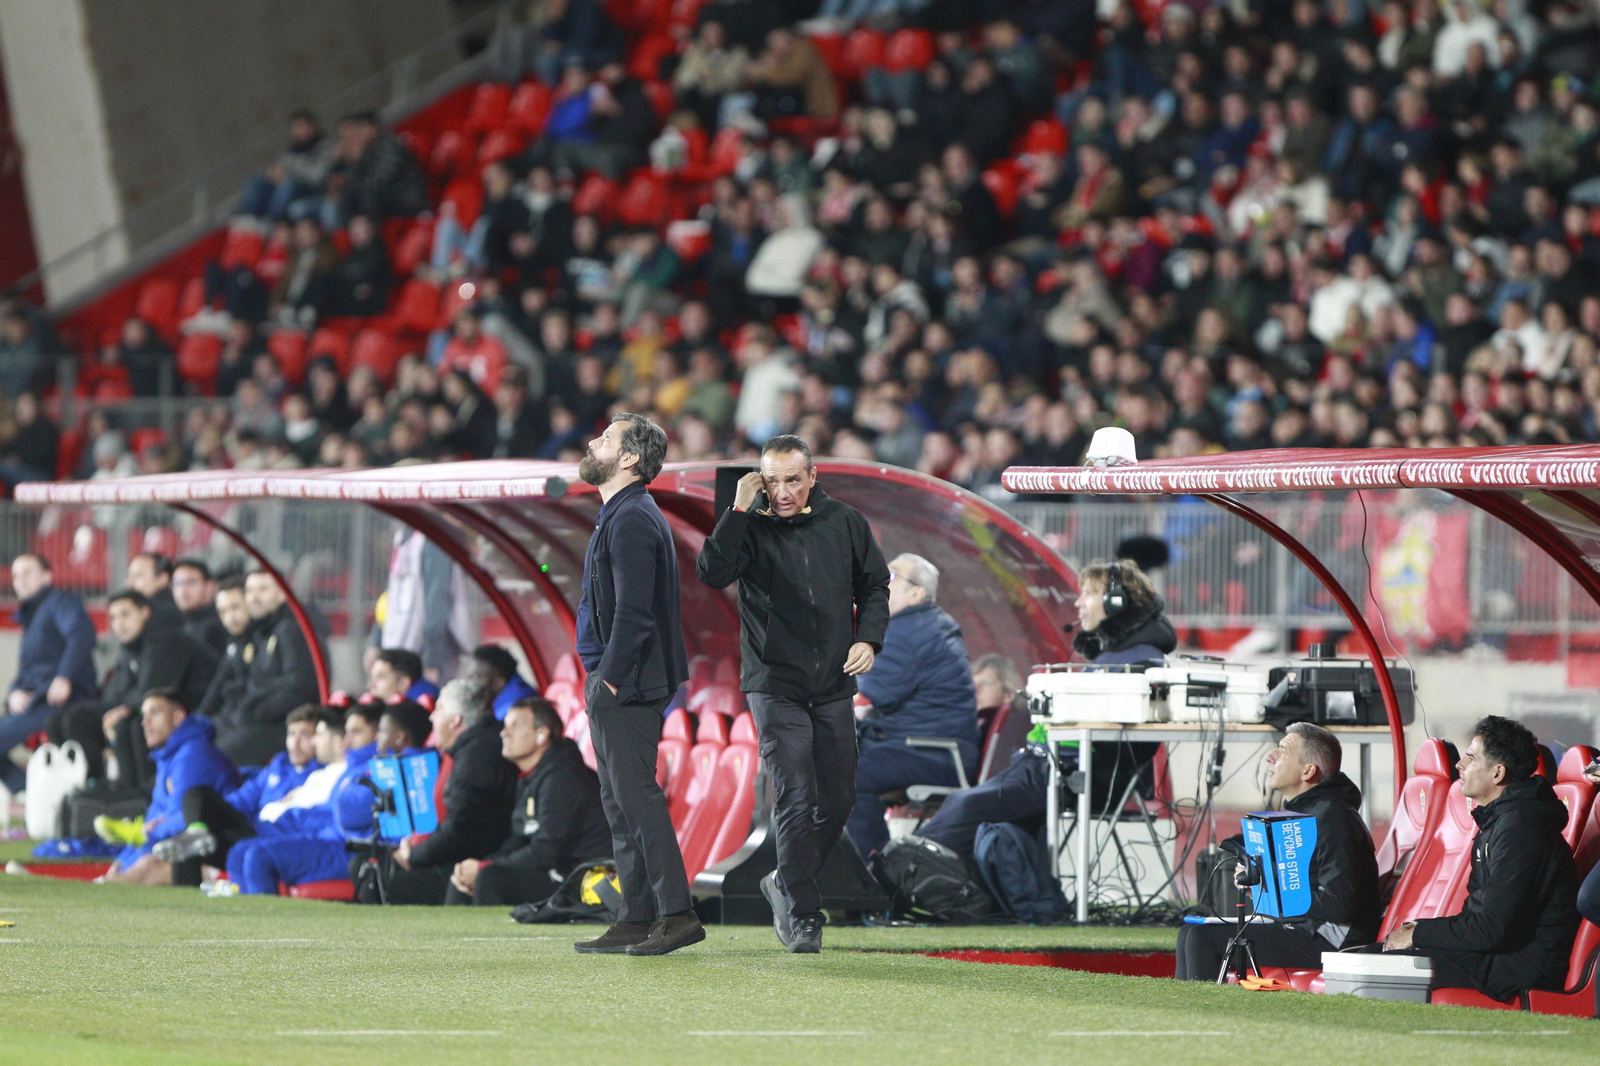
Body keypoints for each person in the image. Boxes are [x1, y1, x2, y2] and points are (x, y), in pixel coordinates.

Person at [697, 434, 890, 953]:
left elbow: (875, 585)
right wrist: (738, 509)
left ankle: (785, 879)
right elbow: (712, 572)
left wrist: (869, 638)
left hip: (833, 682)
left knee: (840, 799)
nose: (782, 492)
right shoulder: (749, 525)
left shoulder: (846, 522)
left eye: (792, 480)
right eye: (772, 481)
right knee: (796, 794)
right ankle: (804, 912)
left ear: (812, 478)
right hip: (774, 682)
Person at [918, 558, 1176, 857]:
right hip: (1049, 767)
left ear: (1116, 601)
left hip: (1074, 775)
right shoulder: (1115, 656)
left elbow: (1114, 739)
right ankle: (913, 867)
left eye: (1088, 594)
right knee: (967, 806)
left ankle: (907, 867)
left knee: (967, 806)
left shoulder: (1140, 662)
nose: (1078, 602)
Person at [572, 413, 700, 956]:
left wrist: (610, 680)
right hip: (620, 679)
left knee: (637, 800)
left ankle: (677, 914)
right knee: (620, 801)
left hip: (629, 683)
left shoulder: (631, 518)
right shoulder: (622, 513)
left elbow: (633, 612)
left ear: (629, 459)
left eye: (606, 438)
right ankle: (637, 914)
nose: (592, 441)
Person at [1382, 716, 1581, 1002]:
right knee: (1375, 957)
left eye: (1471, 758)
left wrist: (1419, 933)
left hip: (1522, 966)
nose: (1459, 765)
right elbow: (1478, 916)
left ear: (1498, 773)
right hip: (1500, 955)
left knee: (1382, 966)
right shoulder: (1498, 821)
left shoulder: (1521, 829)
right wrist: (1418, 931)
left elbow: (1491, 929)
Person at [1175, 723, 1384, 980]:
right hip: (1306, 926)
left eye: (1283, 750)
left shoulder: (1335, 818)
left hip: (1331, 939)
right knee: (1188, 932)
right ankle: (1190, 1006)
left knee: (1202, 938)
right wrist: (1261, 883)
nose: (1270, 756)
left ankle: (1203, 1007)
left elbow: (1340, 905)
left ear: (1308, 771)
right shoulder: (1308, 812)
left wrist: (1270, 883)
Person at [847, 553, 980, 858]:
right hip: (928, 746)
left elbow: (861, 695)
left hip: (935, 752)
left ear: (917, 593)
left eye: (892, 577)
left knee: (847, 775)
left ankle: (875, 871)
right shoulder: (923, 625)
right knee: (839, 760)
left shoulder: (909, 632)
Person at [447, 698, 612, 907]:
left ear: (541, 734)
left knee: (490, 879)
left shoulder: (563, 776)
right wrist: (481, 864)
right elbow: (520, 839)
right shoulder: (534, 775)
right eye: (505, 725)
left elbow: (548, 850)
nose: (504, 733)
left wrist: (485, 868)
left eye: (515, 726)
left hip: (586, 878)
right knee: (464, 879)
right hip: (558, 870)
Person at [48, 589, 220, 788]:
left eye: (125, 615)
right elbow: (117, 691)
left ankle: (135, 790)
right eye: (113, 618)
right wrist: (123, 706)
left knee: (129, 724)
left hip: (194, 711)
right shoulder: (131, 646)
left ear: (144, 612)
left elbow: (154, 691)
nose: (119, 624)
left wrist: (125, 708)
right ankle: (91, 785)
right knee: (61, 720)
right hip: (152, 704)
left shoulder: (164, 640)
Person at [377, 679, 518, 905]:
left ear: (455, 720)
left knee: (376, 875)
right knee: (375, 865)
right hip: (470, 853)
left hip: (474, 860)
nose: (432, 717)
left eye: (439, 709)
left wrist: (414, 855)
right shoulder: (473, 747)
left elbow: (460, 830)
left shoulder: (475, 757)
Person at [220, 703, 383, 896]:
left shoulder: (376, 769)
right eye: (346, 732)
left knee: (259, 857)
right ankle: (246, 914)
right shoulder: (349, 770)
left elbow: (345, 816)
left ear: (379, 734)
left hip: (349, 847)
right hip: (325, 837)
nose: (346, 740)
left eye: (356, 732)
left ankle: (264, 915)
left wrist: (288, 818)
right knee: (239, 852)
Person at [152, 704, 322, 874]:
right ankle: (195, 833)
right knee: (198, 796)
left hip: (276, 843)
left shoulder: (323, 776)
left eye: (305, 735)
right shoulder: (278, 766)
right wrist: (201, 815)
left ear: (319, 739)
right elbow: (242, 800)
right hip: (251, 831)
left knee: (194, 845)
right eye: (291, 734)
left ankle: (195, 837)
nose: (295, 743)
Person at [101, 689, 239, 886]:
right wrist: (124, 861)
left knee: (147, 867)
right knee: (130, 868)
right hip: (182, 848)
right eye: (144, 715)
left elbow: (186, 819)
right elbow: (155, 818)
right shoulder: (168, 757)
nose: (145, 722)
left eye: (154, 712)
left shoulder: (193, 756)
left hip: (218, 852)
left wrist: (145, 833)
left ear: (178, 717)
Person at [1, 553, 98, 793]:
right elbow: (25, 670)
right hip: (36, 702)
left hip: (65, 701)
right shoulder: (32, 616)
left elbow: (81, 635)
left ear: (46, 576)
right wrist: (13, 693)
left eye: (27, 572)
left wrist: (64, 676)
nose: (20, 580)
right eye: (15, 575)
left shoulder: (61, 602)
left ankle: (29, 791)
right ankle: (29, 791)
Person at [220, 571, 324, 767]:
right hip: (257, 721)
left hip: (282, 724)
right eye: (250, 591)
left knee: (219, 754)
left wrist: (256, 712)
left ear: (282, 593)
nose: (254, 597)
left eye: (263, 589)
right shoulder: (264, 631)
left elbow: (299, 686)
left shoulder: (291, 630)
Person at [171, 558, 228, 658]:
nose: (183, 591)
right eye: (177, 583)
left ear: (210, 586)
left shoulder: (216, 626)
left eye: (191, 582)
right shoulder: (182, 623)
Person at [465, 644, 538, 720]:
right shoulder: (519, 688)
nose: (468, 683)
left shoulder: (511, 712)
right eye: (469, 677)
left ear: (498, 683)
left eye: (476, 677)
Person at [126, 552, 182, 632]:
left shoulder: (159, 613)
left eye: (138, 576)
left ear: (162, 578)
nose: (130, 583)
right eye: (129, 576)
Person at [367, 648, 441, 706]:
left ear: (403, 683)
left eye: (380, 677)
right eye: (373, 678)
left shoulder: (421, 710)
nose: (371, 685)